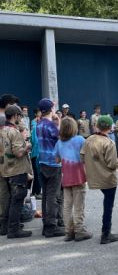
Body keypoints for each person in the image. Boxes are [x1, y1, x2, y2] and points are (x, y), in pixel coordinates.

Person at [80, 115, 118, 245]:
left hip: (93, 176)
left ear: (97, 126)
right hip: (108, 179)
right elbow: (112, 164)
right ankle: (106, 233)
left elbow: (82, 156)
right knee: (108, 206)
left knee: (107, 203)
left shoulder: (89, 139)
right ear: (109, 127)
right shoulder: (109, 143)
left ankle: (106, 232)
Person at [54, 117, 91, 242]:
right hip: (79, 177)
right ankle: (80, 231)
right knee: (79, 206)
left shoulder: (59, 143)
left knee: (67, 206)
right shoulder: (80, 139)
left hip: (66, 178)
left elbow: (56, 160)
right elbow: (87, 154)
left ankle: (69, 231)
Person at [0, 105, 33, 238]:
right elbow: (18, 153)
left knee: (8, 198)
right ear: (15, 116)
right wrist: (27, 147)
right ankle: (14, 229)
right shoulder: (14, 132)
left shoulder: (2, 130)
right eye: (19, 116)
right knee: (18, 198)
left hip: (4, 169)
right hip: (17, 169)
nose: (20, 118)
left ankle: (5, 226)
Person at [36, 98, 65, 238]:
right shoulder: (51, 125)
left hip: (42, 162)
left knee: (46, 195)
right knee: (53, 196)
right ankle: (51, 227)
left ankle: (46, 224)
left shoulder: (39, 124)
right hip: (53, 164)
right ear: (51, 109)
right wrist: (59, 123)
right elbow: (62, 139)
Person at [0, 94, 20, 236]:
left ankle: (5, 223)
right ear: (8, 105)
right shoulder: (3, 120)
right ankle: (6, 224)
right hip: (6, 162)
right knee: (6, 194)